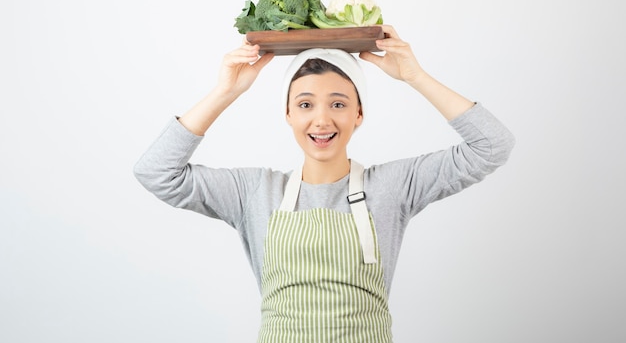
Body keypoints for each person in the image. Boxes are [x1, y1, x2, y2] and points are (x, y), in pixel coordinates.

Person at [133, 24, 515, 342]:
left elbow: (491, 145)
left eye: (338, 104)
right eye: (304, 104)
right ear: (287, 113)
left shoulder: (392, 188)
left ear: (358, 114)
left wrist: (416, 77)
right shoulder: (254, 192)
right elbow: (156, 172)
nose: (321, 120)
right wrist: (225, 92)